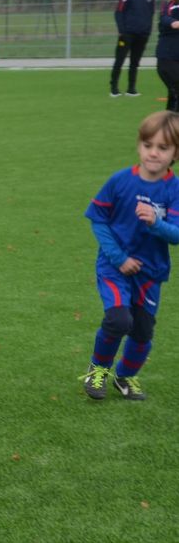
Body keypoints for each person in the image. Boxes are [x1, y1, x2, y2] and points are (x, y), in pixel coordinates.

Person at [81, 111, 179, 401]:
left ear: (175, 153)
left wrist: (156, 223)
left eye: (163, 148)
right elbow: (97, 219)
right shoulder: (120, 181)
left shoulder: (174, 189)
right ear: (139, 145)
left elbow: (176, 234)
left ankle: (125, 377)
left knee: (142, 331)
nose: (153, 153)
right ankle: (97, 370)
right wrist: (119, 258)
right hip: (114, 267)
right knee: (118, 320)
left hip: (151, 272)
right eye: (148, 145)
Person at [111, 0, 154, 97]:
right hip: (127, 34)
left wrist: (147, 30)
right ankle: (114, 88)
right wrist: (122, 31)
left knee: (135, 62)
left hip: (142, 34)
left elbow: (150, 13)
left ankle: (131, 89)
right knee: (120, 60)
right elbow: (118, 12)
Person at [156, 0, 179, 112]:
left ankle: (167, 129)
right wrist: (173, 23)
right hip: (168, 59)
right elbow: (165, 18)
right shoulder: (170, 5)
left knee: (174, 95)